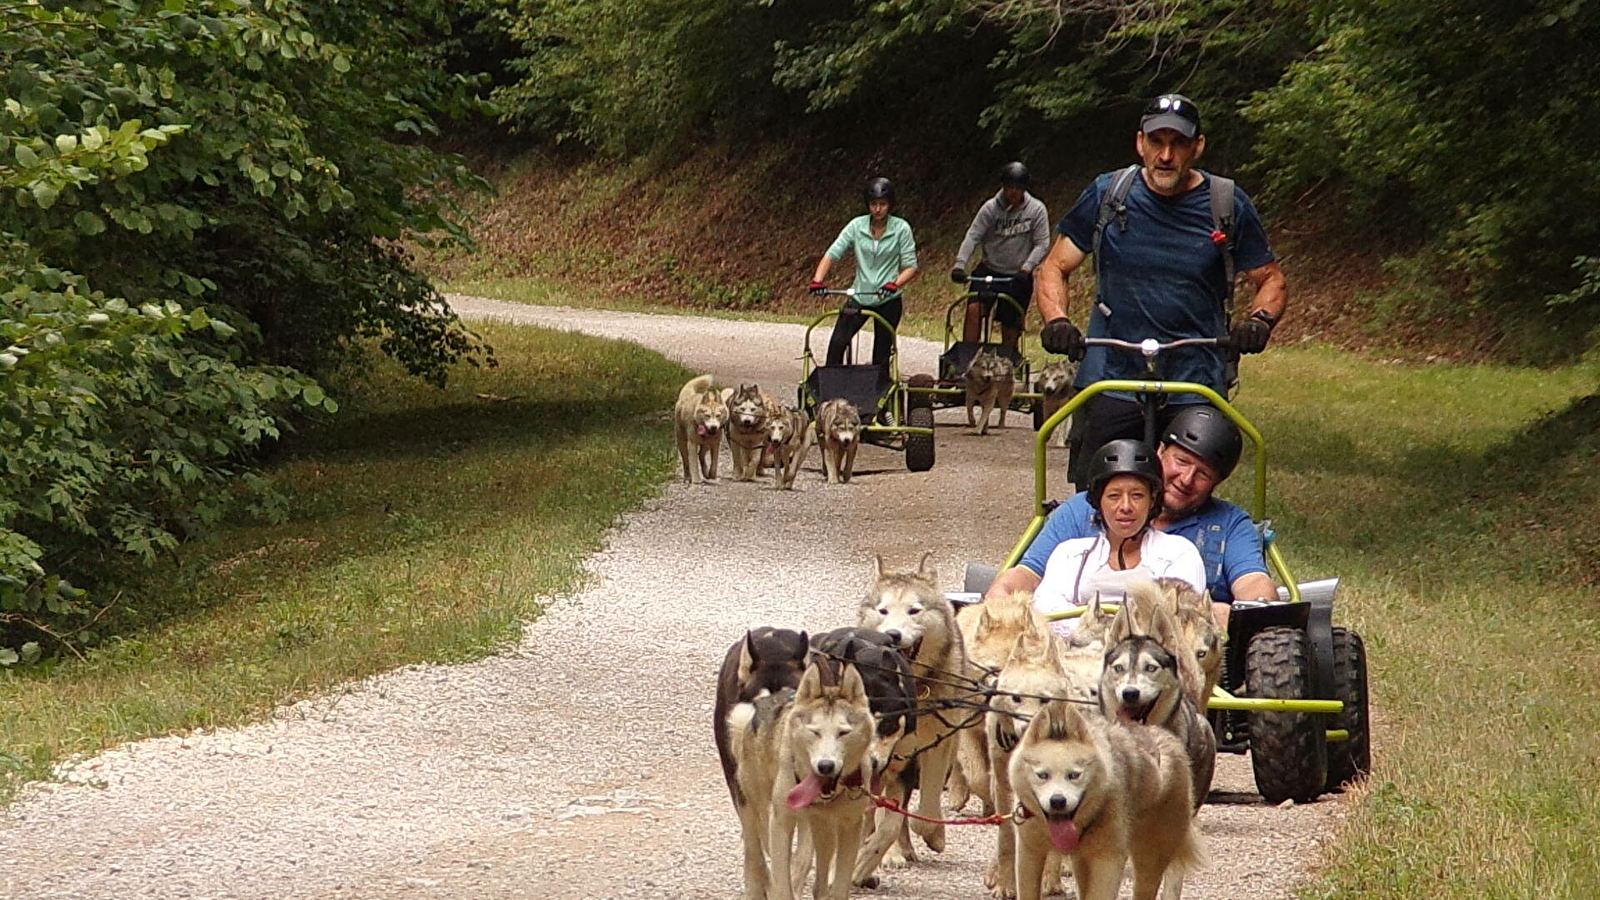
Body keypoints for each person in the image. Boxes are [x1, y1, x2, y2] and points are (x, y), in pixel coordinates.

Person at [1032, 93, 1289, 488]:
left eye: (1178, 143)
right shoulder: (1108, 194)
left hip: (1194, 376)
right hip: (1112, 373)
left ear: (1197, 147)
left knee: (1187, 493)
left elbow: (1270, 278)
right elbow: (1054, 265)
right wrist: (1057, 321)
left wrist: (1258, 322)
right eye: (1156, 142)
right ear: (1140, 143)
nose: (1166, 155)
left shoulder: (1226, 203)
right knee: (1101, 494)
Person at [986, 404, 1275, 629]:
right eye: (1181, 461)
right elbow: (1028, 574)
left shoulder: (1226, 526)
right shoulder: (1079, 513)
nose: (1186, 479)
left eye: (1203, 474)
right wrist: (1002, 593)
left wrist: (1240, 611)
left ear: (1216, 483)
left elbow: (1255, 585)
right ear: (1160, 452)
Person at [988, 438, 1205, 639]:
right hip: (1078, 660)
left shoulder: (1178, 553)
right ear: (1098, 502)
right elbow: (1048, 614)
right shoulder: (1070, 554)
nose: (1126, 507)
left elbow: (1176, 624)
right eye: (1114, 496)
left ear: (1152, 500)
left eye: (1137, 495)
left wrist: (1085, 618)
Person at [810, 177, 919, 368]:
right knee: (837, 343)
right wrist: (817, 281)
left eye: (882, 204)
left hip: (888, 298)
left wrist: (894, 284)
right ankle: (831, 387)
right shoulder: (856, 226)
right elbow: (832, 253)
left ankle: (878, 394)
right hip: (860, 295)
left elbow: (911, 266)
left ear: (890, 205)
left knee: (881, 353)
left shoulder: (901, 228)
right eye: (874, 204)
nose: (878, 209)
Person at [949, 161, 1051, 353]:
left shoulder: (1036, 210)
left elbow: (1042, 243)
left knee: (1010, 323)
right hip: (989, 269)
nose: (1013, 193)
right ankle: (967, 357)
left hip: (1017, 275)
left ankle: (1007, 363)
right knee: (974, 310)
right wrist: (959, 265)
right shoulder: (990, 208)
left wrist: (1027, 268)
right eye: (1009, 188)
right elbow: (973, 236)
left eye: (1018, 188)